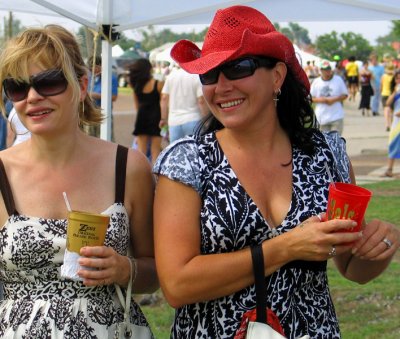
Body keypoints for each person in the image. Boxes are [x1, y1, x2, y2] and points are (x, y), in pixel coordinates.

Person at [152, 5, 399, 338]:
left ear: (278, 77)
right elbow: (177, 285)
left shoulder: (326, 156)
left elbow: (352, 266)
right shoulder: (188, 163)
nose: (220, 86)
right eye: (209, 74)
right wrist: (287, 247)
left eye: (238, 67)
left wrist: (380, 245)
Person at [0, 25, 158, 337]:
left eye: (49, 82)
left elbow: (155, 271)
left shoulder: (128, 167)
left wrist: (126, 269)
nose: (32, 97)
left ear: (82, 85)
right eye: (18, 87)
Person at [160, 65, 209, 143]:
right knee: (196, 152)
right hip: (194, 119)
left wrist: (163, 118)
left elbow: (164, 98)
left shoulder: (171, 76)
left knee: (176, 153)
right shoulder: (195, 76)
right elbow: (201, 101)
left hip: (174, 121)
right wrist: (206, 120)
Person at [129, 58, 164, 164]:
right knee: (155, 152)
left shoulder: (136, 86)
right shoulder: (158, 84)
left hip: (141, 118)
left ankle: (141, 177)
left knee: (141, 152)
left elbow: (137, 107)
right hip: (156, 119)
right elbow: (163, 104)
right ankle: (155, 179)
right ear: (148, 69)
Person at [310, 60, 348, 135]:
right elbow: (311, 98)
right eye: (325, 70)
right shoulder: (316, 82)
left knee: (336, 141)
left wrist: (334, 99)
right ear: (321, 70)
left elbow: (345, 95)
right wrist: (322, 100)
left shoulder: (338, 80)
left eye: (328, 69)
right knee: (324, 142)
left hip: (336, 116)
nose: (327, 72)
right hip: (321, 117)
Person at [87, 55, 119, 139]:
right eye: (90, 68)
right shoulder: (89, 77)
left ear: (101, 66)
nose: (91, 70)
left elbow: (114, 97)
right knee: (89, 139)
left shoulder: (111, 78)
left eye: (94, 68)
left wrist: (98, 96)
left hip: (104, 113)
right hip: (89, 113)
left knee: (106, 139)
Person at [381, 69, 400, 177]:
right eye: (397, 78)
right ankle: (389, 169)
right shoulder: (396, 90)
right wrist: (394, 92)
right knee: (392, 143)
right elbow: (387, 104)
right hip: (396, 122)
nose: (398, 80)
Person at [381, 64, 395, 131]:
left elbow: (381, 85)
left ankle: (387, 124)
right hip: (392, 95)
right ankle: (392, 124)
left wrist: (381, 92)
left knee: (386, 109)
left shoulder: (383, 76)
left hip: (384, 94)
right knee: (392, 110)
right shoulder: (394, 77)